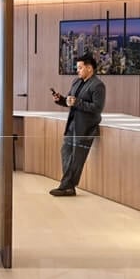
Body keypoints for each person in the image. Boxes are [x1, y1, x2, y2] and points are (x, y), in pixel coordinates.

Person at [48, 51, 106, 197]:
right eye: (77, 68)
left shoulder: (98, 85)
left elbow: (97, 108)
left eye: (80, 68)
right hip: (72, 124)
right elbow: (70, 101)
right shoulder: (76, 82)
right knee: (65, 152)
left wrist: (78, 102)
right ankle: (68, 186)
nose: (77, 70)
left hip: (86, 127)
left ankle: (66, 186)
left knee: (76, 158)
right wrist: (61, 99)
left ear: (89, 68)